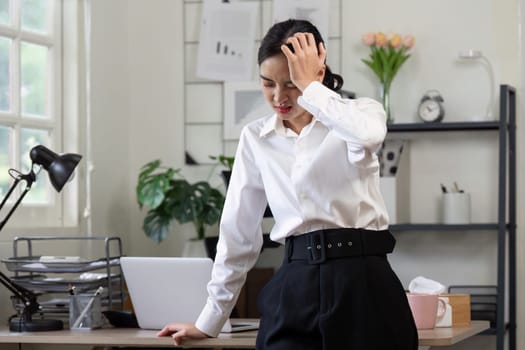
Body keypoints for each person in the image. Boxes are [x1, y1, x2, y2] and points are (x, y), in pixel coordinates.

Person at [157, 19, 418, 350]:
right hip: (296, 282)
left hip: (364, 282)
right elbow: (238, 231)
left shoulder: (359, 113)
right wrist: (210, 320)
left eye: (291, 83)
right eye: (268, 84)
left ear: (316, 74)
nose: (279, 96)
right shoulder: (256, 138)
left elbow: (368, 137)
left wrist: (311, 88)